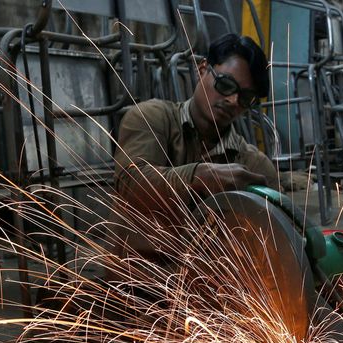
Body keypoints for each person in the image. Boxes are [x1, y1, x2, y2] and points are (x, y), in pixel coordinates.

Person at [112, 33, 307, 261]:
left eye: (245, 98)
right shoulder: (150, 118)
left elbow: (279, 240)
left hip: (210, 287)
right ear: (202, 69)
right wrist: (201, 176)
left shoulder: (254, 165)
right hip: (137, 276)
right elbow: (131, 184)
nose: (233, 101)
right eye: (225, 85)